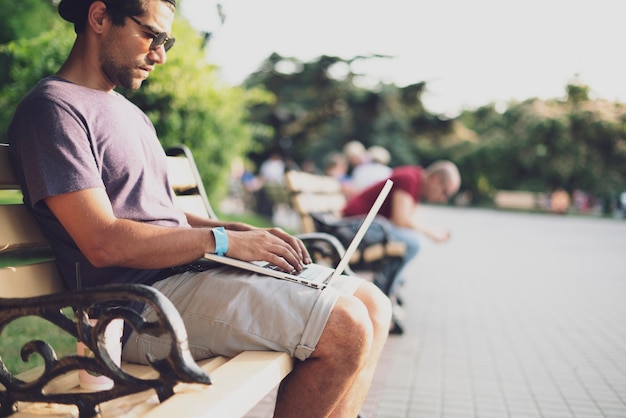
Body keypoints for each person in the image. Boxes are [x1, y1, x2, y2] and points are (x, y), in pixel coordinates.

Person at [7, 1, 391, 416]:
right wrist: (222, 241)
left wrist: (233, 230)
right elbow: (102, 242)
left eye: (165, 40)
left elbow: (160, 212)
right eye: (151, 35)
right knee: (345, 326)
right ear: (99, 17)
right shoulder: (54, 109)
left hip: (189, 277)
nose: (160, 55)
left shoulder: (131, 114)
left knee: (373, 305)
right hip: (137, 307)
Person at [342, 162, 461, 331]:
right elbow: (401, 220)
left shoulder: (415, 181)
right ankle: (383, 296)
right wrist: (431, 232)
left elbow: (408, 221)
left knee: (411, 241)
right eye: (445, 192)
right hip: (351, 227)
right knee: (413, 243)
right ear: (435, 179)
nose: (443, 199)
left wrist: (430, 231)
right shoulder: (409, 179)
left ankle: (385, 294)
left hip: (365, 226)